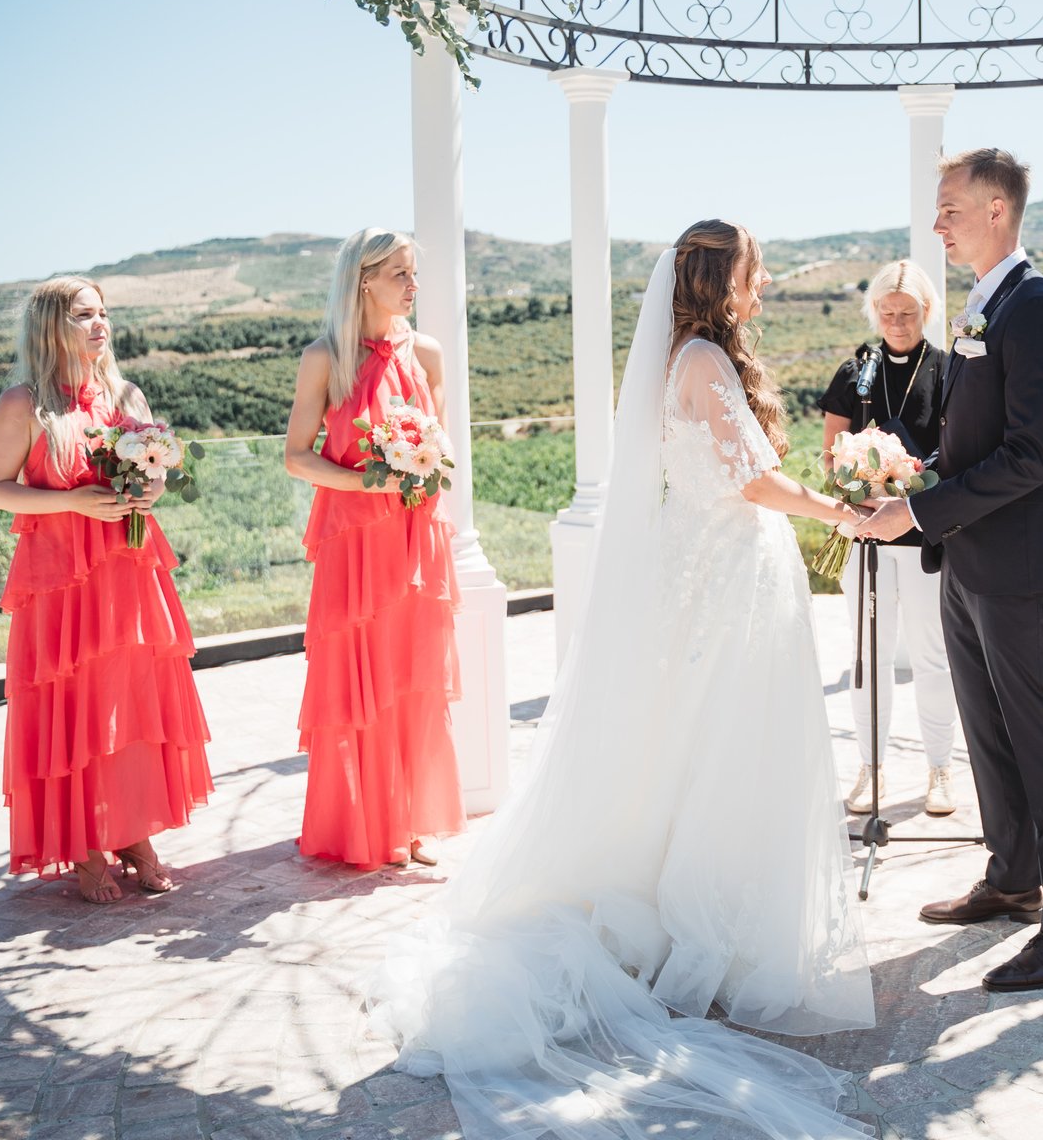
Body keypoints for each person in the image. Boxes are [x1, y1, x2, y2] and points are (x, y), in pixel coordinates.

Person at [365, 221, 875, 1139]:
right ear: (724, 279)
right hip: (730, 573)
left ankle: (716, 920)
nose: (763, 287)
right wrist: (846, 509)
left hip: (718, 569)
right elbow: (753, 484)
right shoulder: (703, 366)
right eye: (754, 274)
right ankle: (715, 932)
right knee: (731, 748)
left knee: (713, 745)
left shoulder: (693, 358)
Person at [854, 148, 1043, 992]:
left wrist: (917, 511)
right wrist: (906, 475)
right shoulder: (979, 307)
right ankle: (1012, 877)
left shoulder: (1041, 312)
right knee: (987, 734)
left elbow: (1031, 458)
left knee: (1040, 739)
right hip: (967, 557)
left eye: (950, 208)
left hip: (1019, 564)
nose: (937, 224)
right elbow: (971, 437)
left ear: (997, 210)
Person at [0, 277, 212, 902]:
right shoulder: (23, 404)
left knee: (129, 700)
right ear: (53, 325)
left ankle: (133, 833)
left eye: (104, 313)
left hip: (127, 570)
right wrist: (73, 503)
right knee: (75, 705)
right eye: (85, 315)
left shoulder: (125, 394)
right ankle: (83, 843)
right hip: (58, 581)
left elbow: (157, 473)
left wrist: (152, 489)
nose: (100, 324)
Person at [284, 230, 463, 870]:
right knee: (361, 680)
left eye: (414, 273)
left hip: (416, 537)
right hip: (354, 543)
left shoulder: (429, 354)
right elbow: (296, 457)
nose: (414, 286)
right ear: (364, 280)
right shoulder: (324, 359)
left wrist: (418, 471)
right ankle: (363, 822)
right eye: (401, 274)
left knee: (413, 676)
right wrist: (369, 479)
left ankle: (414, 820)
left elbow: (441, 453)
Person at [817, 258, 959, 817]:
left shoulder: (948, 371)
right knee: (868, 657)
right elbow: (832, 456)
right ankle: (870, 768)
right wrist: (861, 483)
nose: (897, 322)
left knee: (933, 655)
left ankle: (940, 768)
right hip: (867, 540)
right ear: (874, 311)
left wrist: (911, 486)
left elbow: (959, 451)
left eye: (908, 312)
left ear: (927, 311)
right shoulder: (856, 373)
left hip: (926, 539)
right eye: (887, 312)